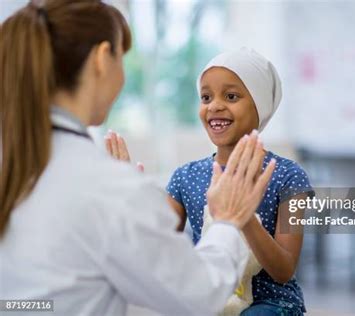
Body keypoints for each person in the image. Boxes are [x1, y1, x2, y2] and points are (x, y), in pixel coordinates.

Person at [0, 2, 275, 315]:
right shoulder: (109, 186)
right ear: (102, 59)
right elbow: (198, 293)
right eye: (123, 56)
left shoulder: (39, 165)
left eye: (232, 96)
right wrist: (227, 220)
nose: (214, 107)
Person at [107, 48, 313, 315]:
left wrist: (243, 215)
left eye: (231, 96)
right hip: (207, 298)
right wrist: (132, 201)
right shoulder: (185, 177)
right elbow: (157, 251)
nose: (214, 105)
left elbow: (284, 270)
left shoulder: (290, 177)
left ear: (260, 105)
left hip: (271, 305)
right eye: (206, 97)